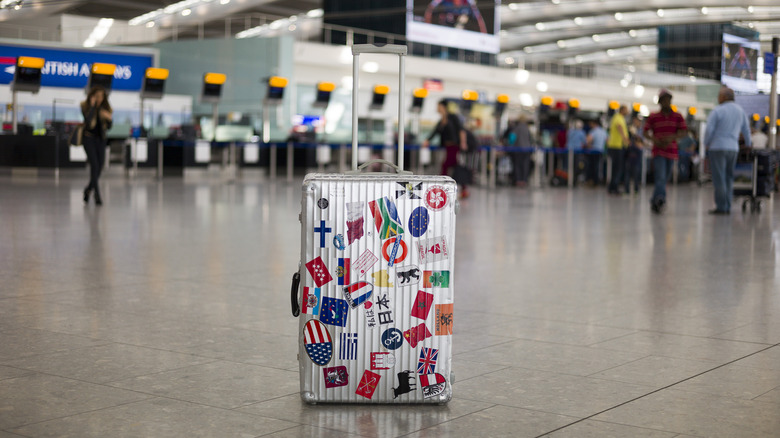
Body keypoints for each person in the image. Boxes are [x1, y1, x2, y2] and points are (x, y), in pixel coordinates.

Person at [704, 86, 752, 215]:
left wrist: (706, 143)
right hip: (733, 148)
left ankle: (721, 207)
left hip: (717, 147)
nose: (718, 98)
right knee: (729, 178)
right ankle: (727, 206)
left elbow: (709, 130)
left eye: (719, 95)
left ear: (724, 97)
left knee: (719, 178)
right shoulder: (740, 111)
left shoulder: (718, 111)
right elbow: (746, 130)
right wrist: (748, 144)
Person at [644, 89, 687, 214]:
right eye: (663, 100)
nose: (666, 102)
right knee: (660, 177)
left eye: (668, 100)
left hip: (672, 151)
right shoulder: (654, 116)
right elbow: (646, 132)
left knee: (665, 178)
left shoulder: (677, 116)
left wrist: (672, 138)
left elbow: (684, 131)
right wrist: (655, 140)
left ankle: (654, 200)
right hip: (658, 151)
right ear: (660, 102)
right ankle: (660, 200)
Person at [423, 99, 469, 198]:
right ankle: (462, 188)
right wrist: (427, 140)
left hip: (454, 147)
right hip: (448, 147)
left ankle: (441, 188)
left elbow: (461, 130)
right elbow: (435, 132)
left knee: (446, 165)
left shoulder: (453, 117)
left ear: (443, 107)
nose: (437, 108)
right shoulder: (441, 121)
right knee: (453, 165)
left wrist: (463, 143)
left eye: (438, 106)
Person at [81, 86, 113, 206]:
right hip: (88, 139)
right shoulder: (85, 106)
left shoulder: (106, 109)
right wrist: (93, 106)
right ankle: (97, 195)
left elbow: (109, 127)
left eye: (101, 96)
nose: (99, 98)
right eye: (97, 96)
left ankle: (88, 189)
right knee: (94, 165)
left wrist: (109, 119)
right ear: (92, 96)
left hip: (100, 140)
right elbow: (88, 122)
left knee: (99, 166)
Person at [606, 105, 629, 194]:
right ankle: (614, 187)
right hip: (616, 146)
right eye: (626, 110)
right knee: (617, 168)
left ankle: (612, 186)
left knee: (616, 168)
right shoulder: (618, 117)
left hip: (617, 146)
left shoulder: (619, 118)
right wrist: (625, 139)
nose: (628, 112)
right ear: (622, 110)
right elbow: (619, 127)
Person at [510, 115, 534, 187]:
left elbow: (512, 139)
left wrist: (510, 145)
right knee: (525, 165)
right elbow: (531, 139)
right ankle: (524, 180)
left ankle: (518, 180)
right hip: (527, 149)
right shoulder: (527, 128)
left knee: (518, 165)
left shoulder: (516, 128)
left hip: (518, 149)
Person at [625, 117, 645, 194]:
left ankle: (636, 189)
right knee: (627, 174)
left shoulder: (641, 132)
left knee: (636, 174)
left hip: (637, 157)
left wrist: (635, 136)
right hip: (630, 156)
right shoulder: (631, 130)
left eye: (636, 121)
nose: (635, 123)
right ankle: (627, 190)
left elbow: (640, 143)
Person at [585, 119, 606, 185]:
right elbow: (608, 141)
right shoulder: (603, 131)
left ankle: (591, 180)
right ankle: (597, 180)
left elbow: (587, 140)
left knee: (591, 167)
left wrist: (588, 145)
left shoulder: (593, 131)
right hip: (601, 151)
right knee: (598, 166)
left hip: (593, 151)